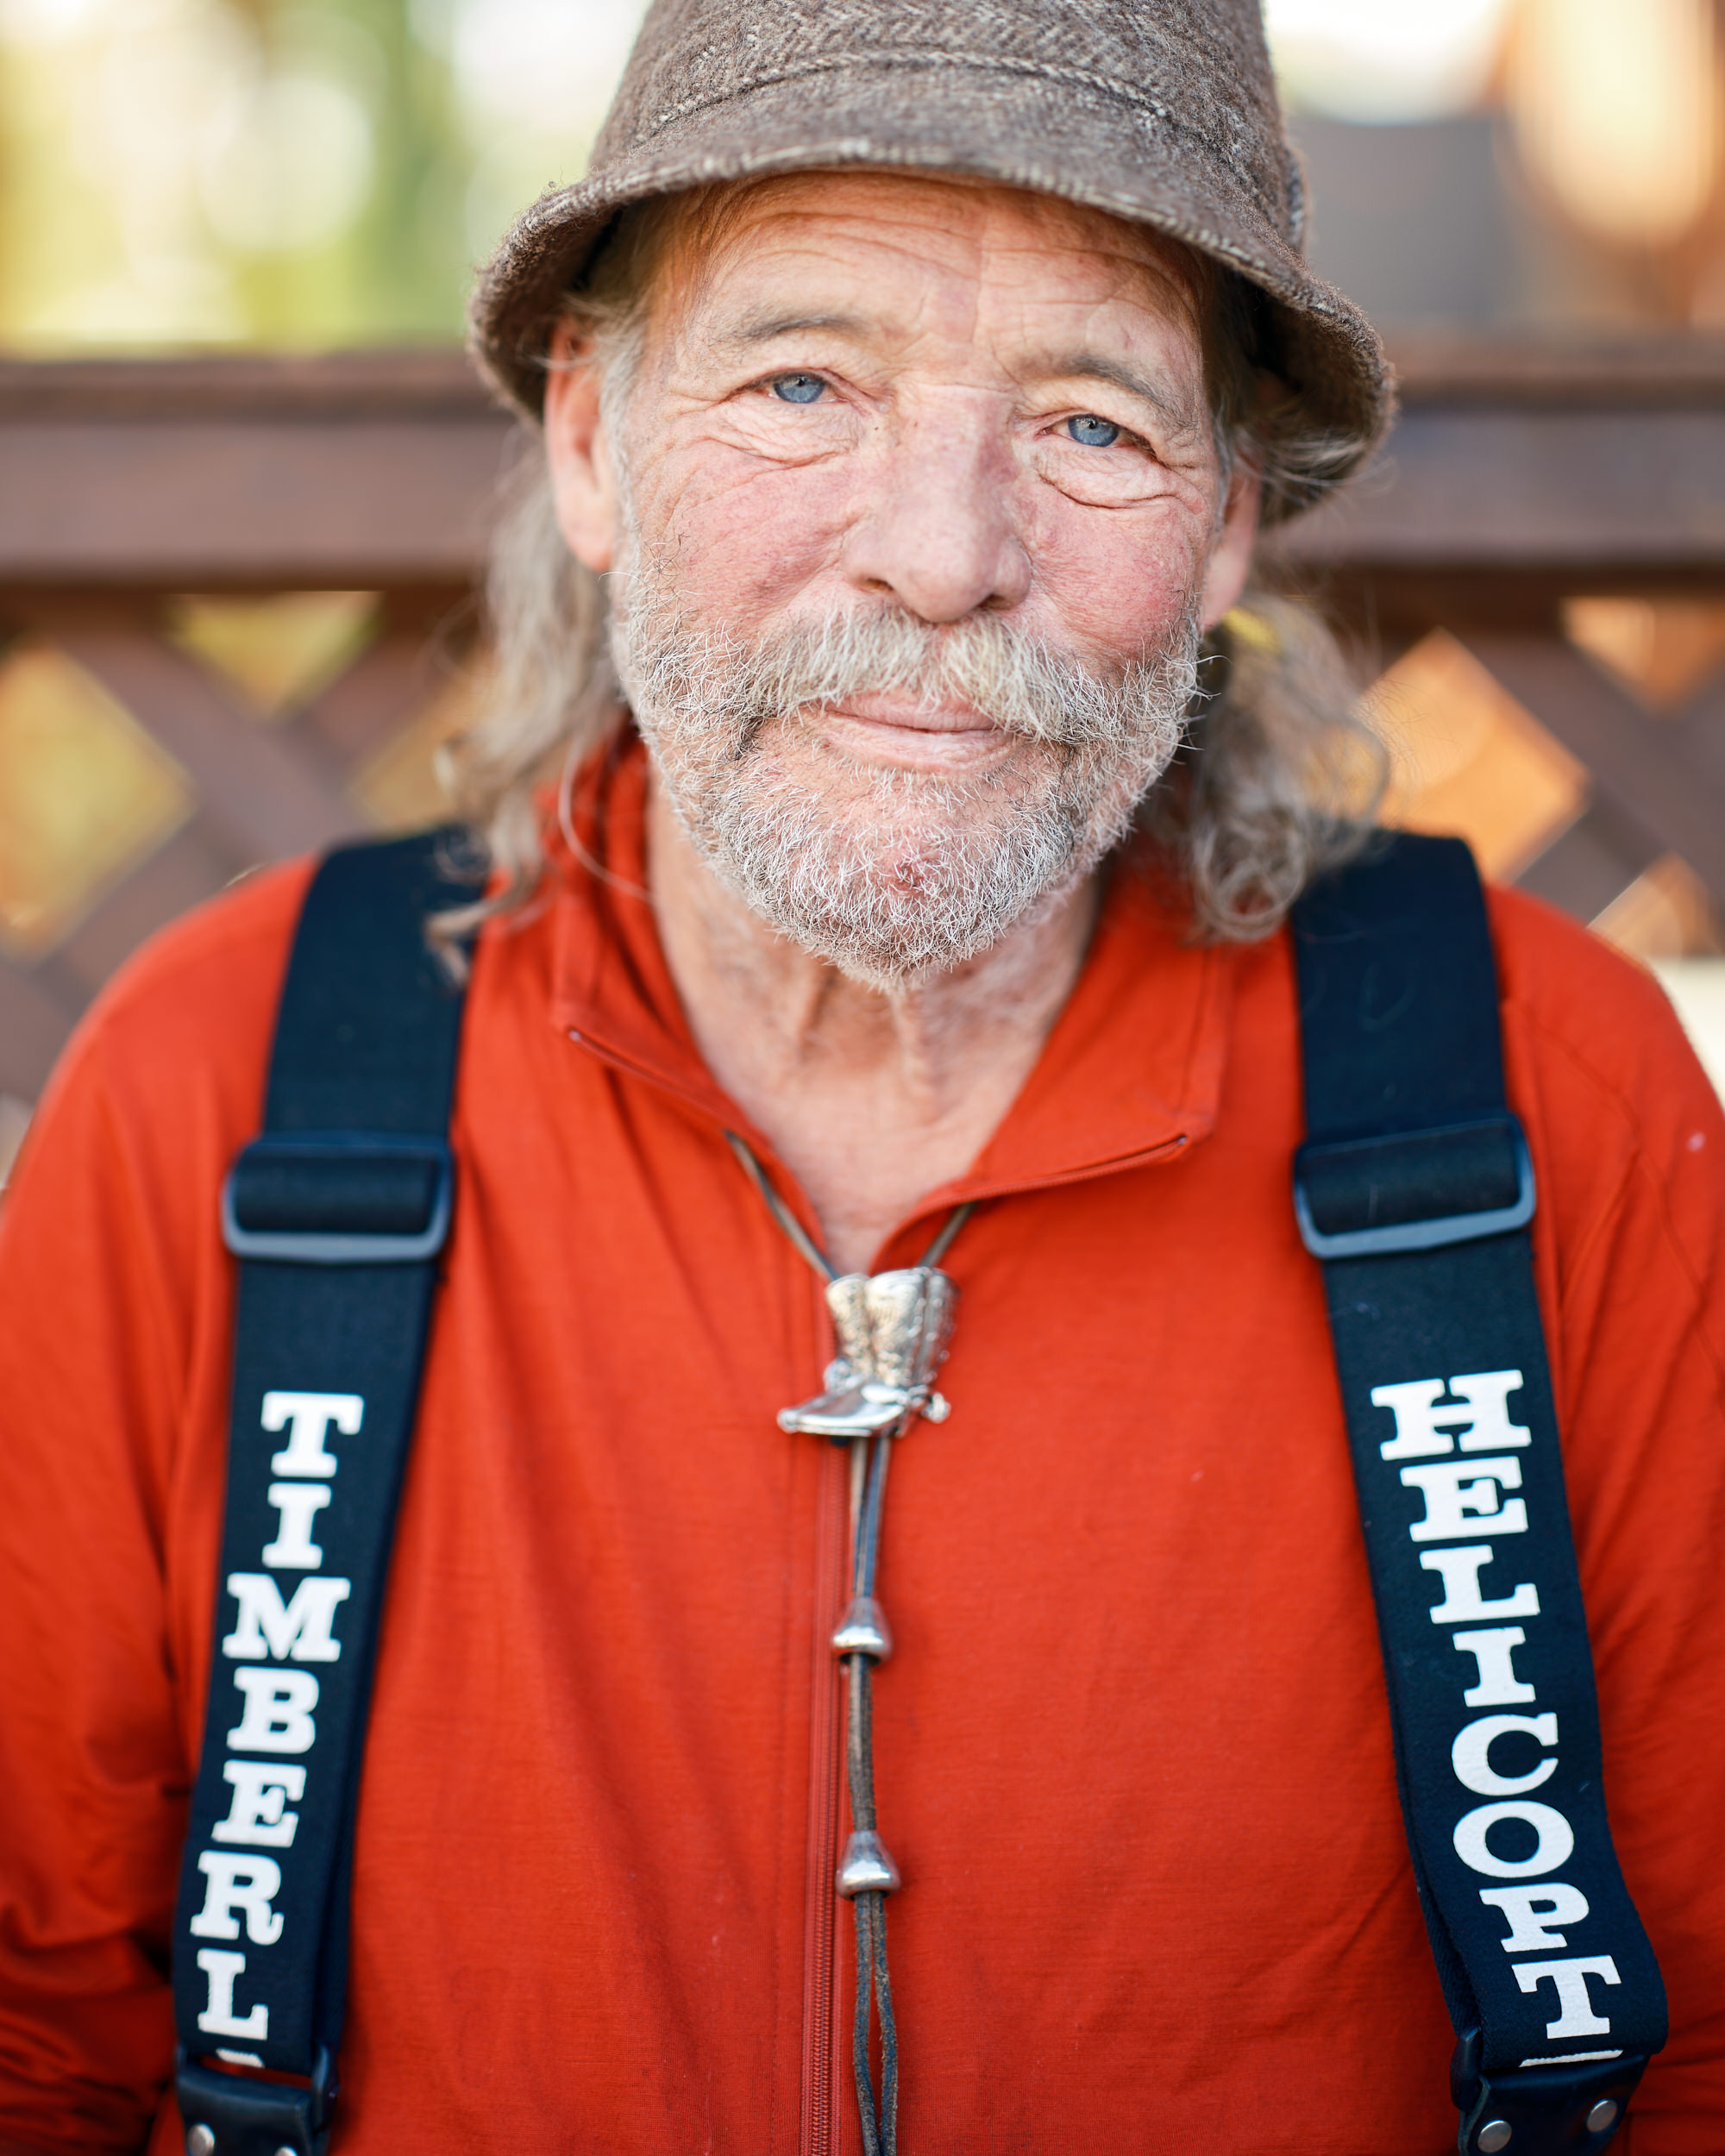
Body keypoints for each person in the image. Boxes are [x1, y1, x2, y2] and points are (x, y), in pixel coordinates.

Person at [2, 1, 1722, 2150]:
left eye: (1093, 423)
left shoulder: (1542, 1093)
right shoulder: (224, 1083)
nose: (938, 552)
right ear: (591, 439)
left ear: (1218, 537)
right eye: (804, 382)